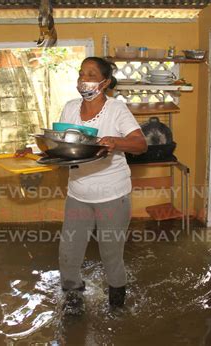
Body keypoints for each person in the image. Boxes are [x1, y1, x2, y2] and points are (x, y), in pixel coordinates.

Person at [17, 57, 147, 313]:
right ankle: (74, 300)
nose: (83, 80)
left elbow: (140, 144)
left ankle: (116, 306)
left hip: (112, 195)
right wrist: (32, 149)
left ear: (105, 82)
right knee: (69, 252)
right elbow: (62, 144)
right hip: (78, 194)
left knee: (111, 255)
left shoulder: (116, 110)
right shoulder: (70, 107)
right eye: (80, 74)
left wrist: (115, 142)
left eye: (90, 74)